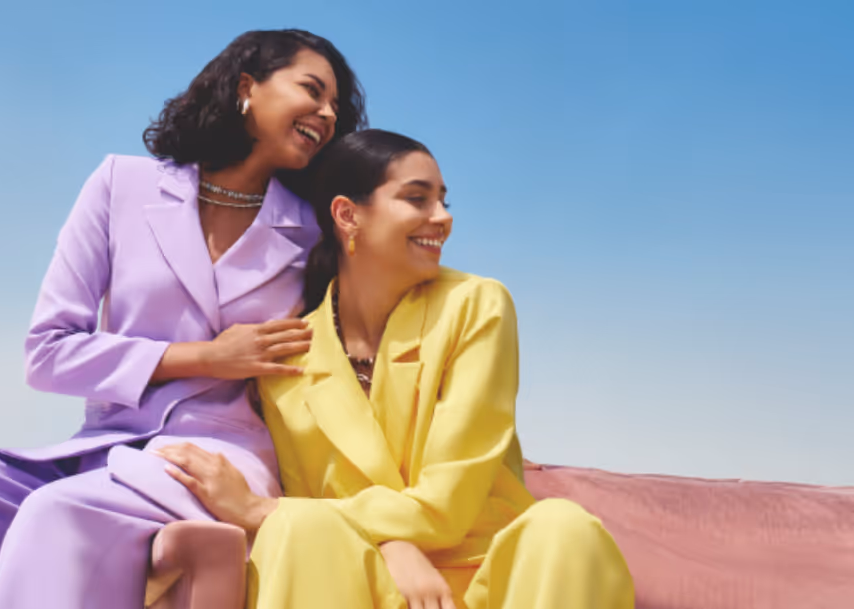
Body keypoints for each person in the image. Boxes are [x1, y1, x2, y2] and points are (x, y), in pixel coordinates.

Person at [0, 29, 366, 609]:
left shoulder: (317, 232)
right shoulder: (122, 184)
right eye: (312, 90)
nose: (328, 113)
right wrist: (207, 357)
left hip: (219, 459)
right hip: (101, 448)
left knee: (60, 512)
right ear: (247, 87)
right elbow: (48, 354)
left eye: (336, 106)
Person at [155, 129, 635, 609]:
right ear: (348, 215)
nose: (442, 218)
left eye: (443, 201)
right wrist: (391, 545)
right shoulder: (290, 357)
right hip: (364, 584)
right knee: (299, 526)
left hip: (496, 581)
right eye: (417, 199)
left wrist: (261, 509)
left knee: (564, 527)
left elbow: (447, 504)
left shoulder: (476, 306)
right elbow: (314, 510)